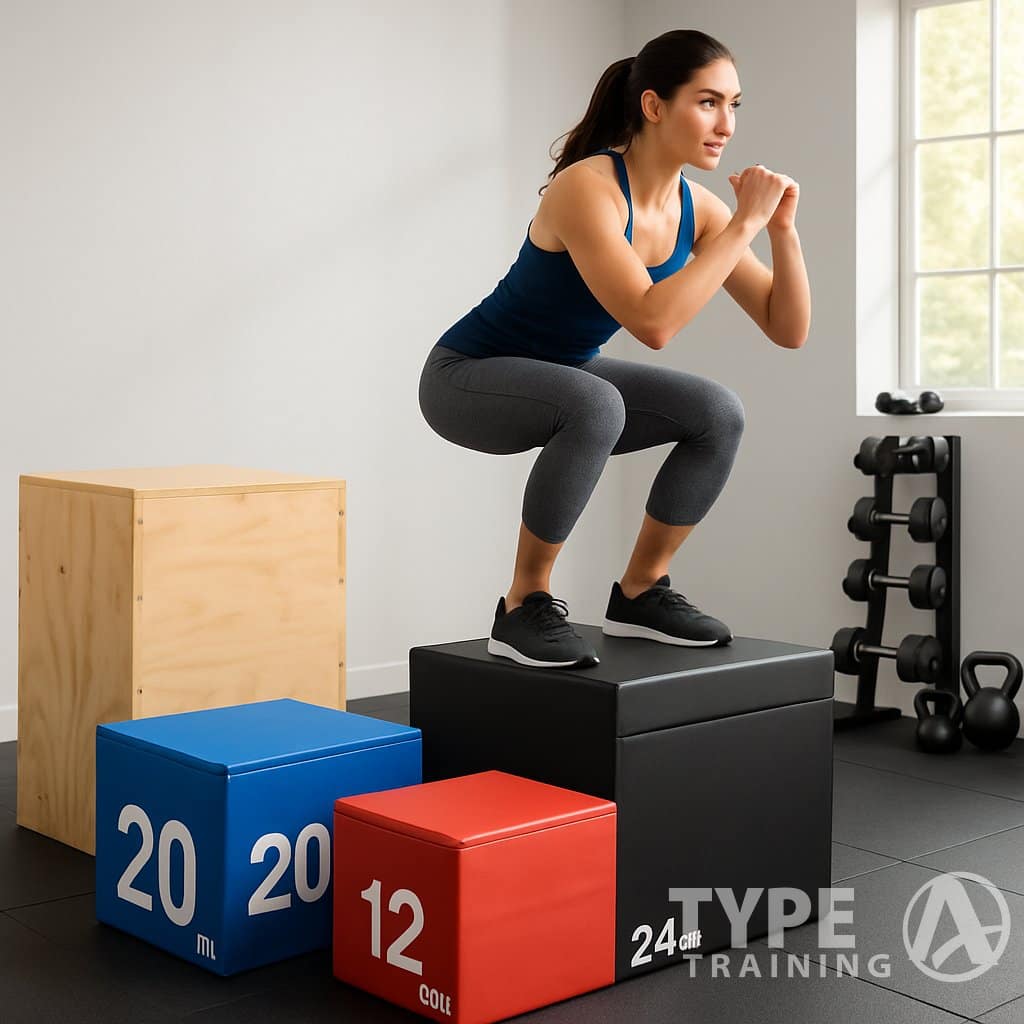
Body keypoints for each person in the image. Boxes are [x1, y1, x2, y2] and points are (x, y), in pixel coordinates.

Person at [418, 28, 809, 670]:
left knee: (717, 411)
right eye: (708, 102)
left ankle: (640, 592)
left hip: (567, 375)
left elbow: (785, 327)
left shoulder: (696, 208)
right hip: (465, 377)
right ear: (654, 106)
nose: (726, 124)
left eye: (735, 105)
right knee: (596, 403)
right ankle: (522, 604)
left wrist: (782, 231)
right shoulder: (588, 187)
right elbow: (653, 323)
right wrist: (744, 224)